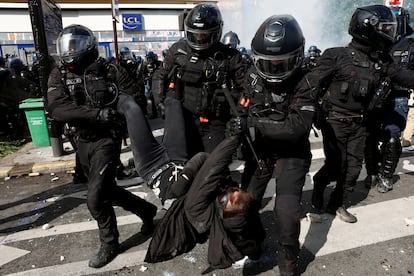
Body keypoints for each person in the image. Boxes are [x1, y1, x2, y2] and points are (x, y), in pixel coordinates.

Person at [47, 24, 157, 269]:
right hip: (81, 141)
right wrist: (96, 114)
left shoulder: (110, 70)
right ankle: (146, 210)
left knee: (95, 199)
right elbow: (57, 108)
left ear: (88, 46)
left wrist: (120, 112)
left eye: (75, 45)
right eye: (67, 45)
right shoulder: (59, 73)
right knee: (107, 190)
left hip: (107, 140)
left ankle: (110, 243)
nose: (70, 51)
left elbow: (136, 99)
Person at [310, 5, 414, 223]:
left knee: (354, 169)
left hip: (361, 124)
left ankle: (336, 204)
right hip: (335, 121)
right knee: (335, 166)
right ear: (368, 28)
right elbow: (310, 85)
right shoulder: (336, 55)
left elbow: (403, 76)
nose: (390, 32)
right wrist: (310, 113)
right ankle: (319, 187)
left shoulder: (382, 60)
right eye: (385, 28)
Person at [239, 15, 316, 276]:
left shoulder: (306, 81)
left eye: (280, 64)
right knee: (239, 207)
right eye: (267, 64)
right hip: (259, 149)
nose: (273, 70)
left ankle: (288, 260)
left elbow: (297, 127)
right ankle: (253, 243)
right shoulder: (251, 76)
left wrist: (253, 125)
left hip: (291, 152)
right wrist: (237, 126)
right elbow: (242, 108)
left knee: (286, 212)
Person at [144, 134, 265, 270]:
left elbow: (212, 165)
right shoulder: (235, 213)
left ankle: (252, 251)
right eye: (234, 191)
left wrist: (235, 138)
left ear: (223, 209)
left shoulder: (197, 205)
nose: (231, 191)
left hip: (164, 180)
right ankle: (254, 252)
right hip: (187, 205)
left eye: (228, 197)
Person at [160, 3, 248, 157]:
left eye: (204, 35)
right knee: (182, 165)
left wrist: (240, 116)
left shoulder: (230, 56)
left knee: (213, 166)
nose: (199, 39)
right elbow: (160, 76)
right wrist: (161, 102)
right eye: (195, 35)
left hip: (216, 122)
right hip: (186, 120)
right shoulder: (178, 50)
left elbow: (247, 89)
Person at [364, 6, 414, 193]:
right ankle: (372, 172)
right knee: (369, 137)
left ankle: (386, 175)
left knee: (392, 137)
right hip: (373, 97)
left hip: (397, 96)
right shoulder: (374, 44)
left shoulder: (410, 45)